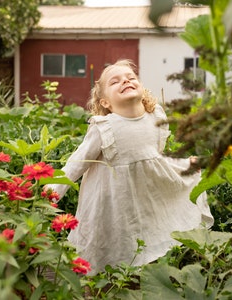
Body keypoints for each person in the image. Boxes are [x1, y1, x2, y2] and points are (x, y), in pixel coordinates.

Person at [46, 59, 213, 275]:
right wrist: (49, 194)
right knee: (105, 254)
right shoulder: (104, 128)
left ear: (141, 88)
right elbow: (76, 164)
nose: (125, 81)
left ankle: (135, 287)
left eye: (131, 77)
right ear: (105, 102)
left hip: (142, 202)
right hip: (109, 206)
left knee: (140, 251)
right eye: (115, 82)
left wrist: (185, 165)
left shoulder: (155, 118)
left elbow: (154, 159)